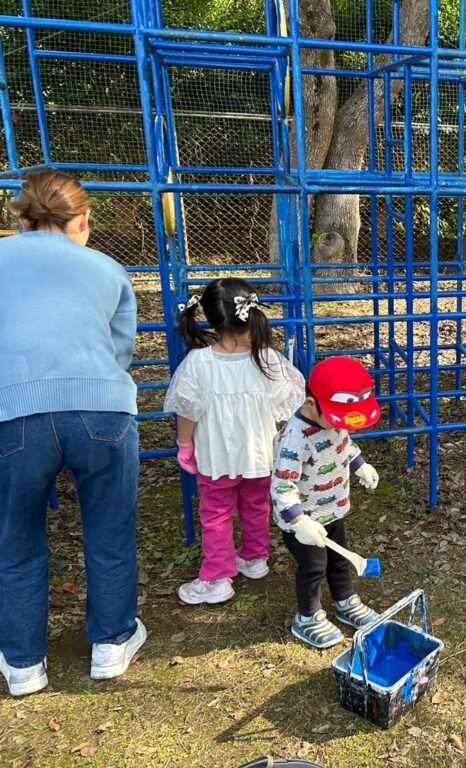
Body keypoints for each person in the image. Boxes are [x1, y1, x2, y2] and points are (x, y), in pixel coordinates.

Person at [0, 170, 145, 696]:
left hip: (11, 412)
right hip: (101, 409)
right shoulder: (108, 269)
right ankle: (111, 644)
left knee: (15, 542)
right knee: (110, 530)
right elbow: (120, 350)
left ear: (21, 219)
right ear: (83, 220)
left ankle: (22, 665)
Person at [165, 278, 305, 604]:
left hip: (217, 458)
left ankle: (217, 577)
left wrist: (185, 446)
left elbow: (187, 409)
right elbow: (290, 393)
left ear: (211, 318)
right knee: (256, 506)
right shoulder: (267, 358)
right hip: (259, 455)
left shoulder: (199, 363)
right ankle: (255, 559)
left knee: (216, 515)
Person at [271, 356, 382, 649]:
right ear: (310, 404)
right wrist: (299, 521)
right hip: (303, 520)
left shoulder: (333, 418)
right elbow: (282, 484)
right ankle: (307, 616)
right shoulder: (295, 438)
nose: (339, 424)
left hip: (332, 507)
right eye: (335, 418)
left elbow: (345, 444)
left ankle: (345, 601)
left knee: (340, 557)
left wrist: (360, 465)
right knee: (314, 566)